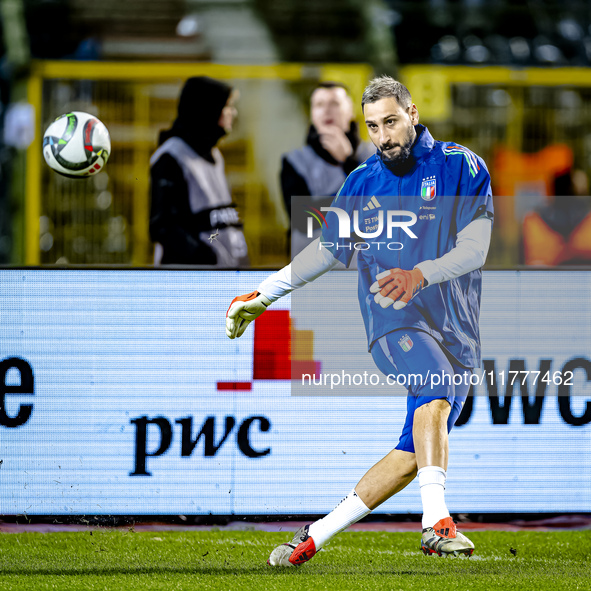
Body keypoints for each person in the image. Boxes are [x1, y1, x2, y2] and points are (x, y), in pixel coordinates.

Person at [226, 76, 493, 565]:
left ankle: (314, 535)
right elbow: (327, 251)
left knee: (413, 452)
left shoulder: (461, 166)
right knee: (433, 388)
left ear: (413, 113)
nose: (382, 136)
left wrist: (420, 274)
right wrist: (264, 294)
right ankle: (437, 524)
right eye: (372, 126)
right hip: (393, 324)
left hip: (456, 331)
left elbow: (476, 249)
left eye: (390, 122)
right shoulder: (361, 183)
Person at [149, 76, 249, 266]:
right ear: (208, 109)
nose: (233, 113)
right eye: (227, 106)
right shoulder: (171, 157)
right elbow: (163, 227)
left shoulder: (215, 155)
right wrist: (207, 259)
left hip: (221, 277)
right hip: (189, 282)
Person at [281, 82, 375, 257]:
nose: (326, 110)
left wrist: (349, 162)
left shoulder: (376, 154)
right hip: (313, 272)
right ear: (311, 114)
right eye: (319, 105)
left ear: (351, 112)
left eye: (335, 104)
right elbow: (303, 219)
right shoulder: (295, 161)